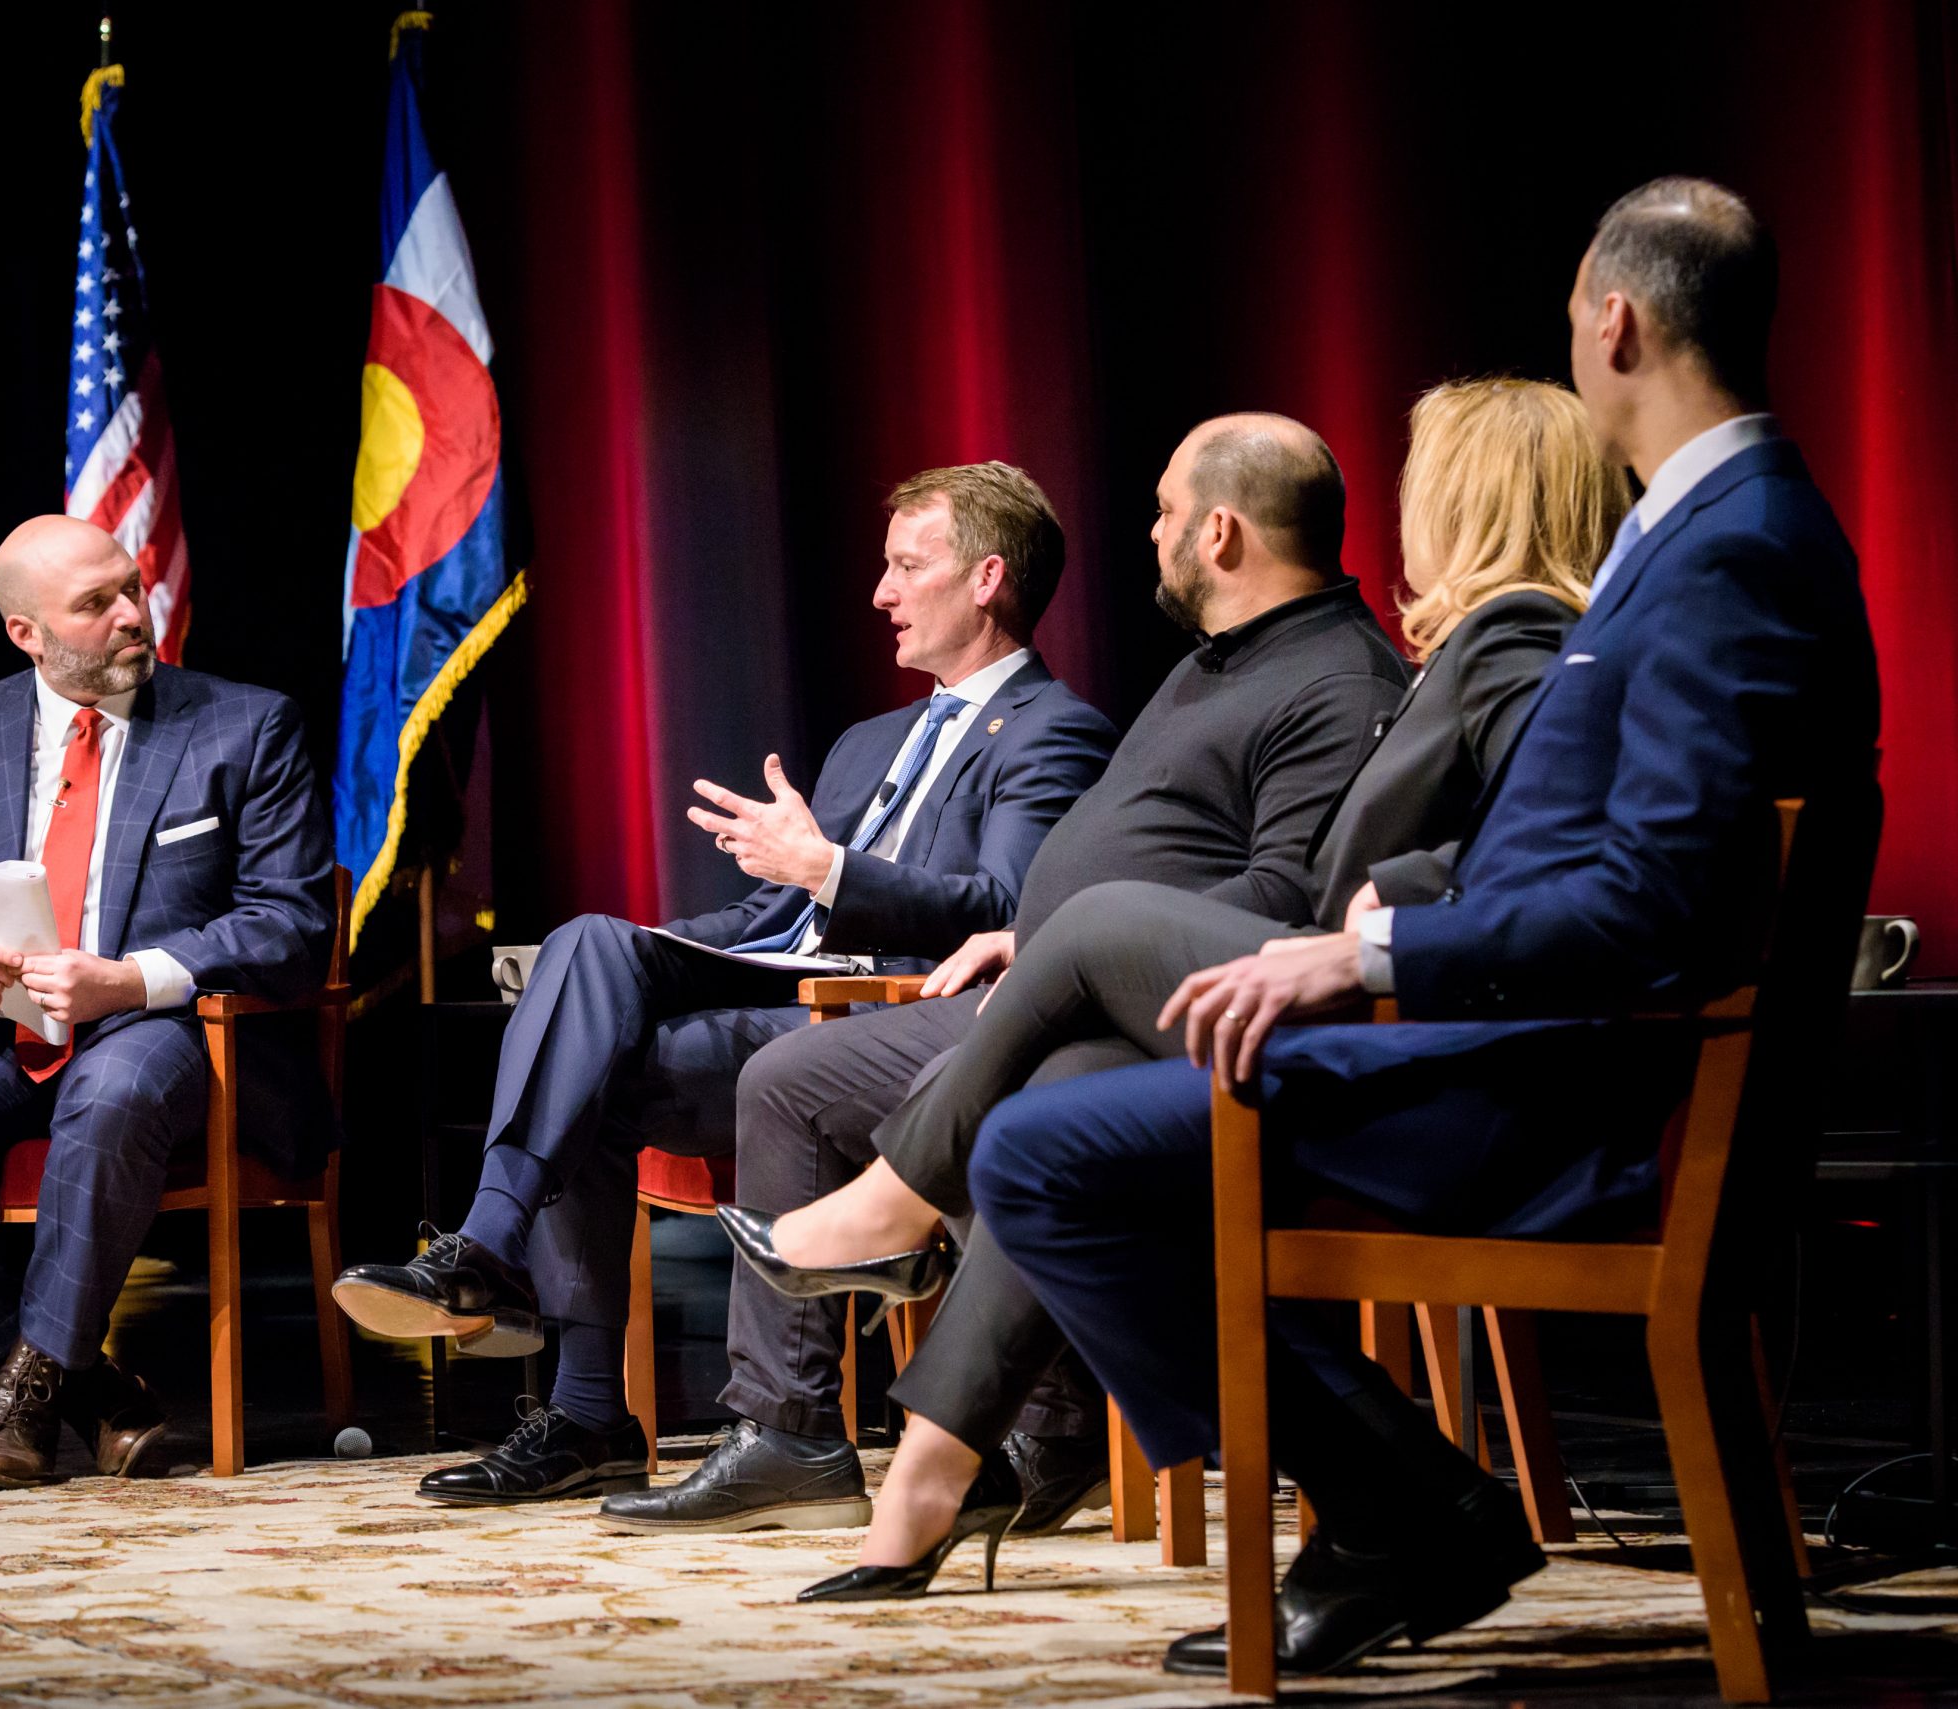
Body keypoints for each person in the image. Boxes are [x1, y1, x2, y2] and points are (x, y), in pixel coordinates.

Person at [972, 177, 1879, 1675]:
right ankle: (1401, 1503)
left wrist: (1369, 954)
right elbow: (1616, 843)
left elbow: (1662, 901)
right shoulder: (1720, 525)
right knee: (1083, 1120)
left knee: (1048, 1153)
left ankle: (1399, 1505)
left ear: (1617, 322)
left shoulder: (1727, 548)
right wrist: (1425, 903)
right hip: (1538, 1060)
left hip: (1543, 1100)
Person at [730, 376, 1620, 1589]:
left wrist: (1401, 904)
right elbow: (1504, 829)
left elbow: (1547, 847)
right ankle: (925, 1479)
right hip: (1279, 1011)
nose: (1399, 518)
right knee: (1052, 1102)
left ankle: (898, 1204)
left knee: (1090, 947)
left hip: (1366, 1037)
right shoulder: (1445, 652)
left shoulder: (1496, 650)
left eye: (1423, 487)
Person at [602, 415, 1410, 1534]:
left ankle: (1044, 1421)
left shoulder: (1333, 679)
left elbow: (1285, 904)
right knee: (787, 1074)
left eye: (1169, 510)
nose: (1152, 531)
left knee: (1015, 1104)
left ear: (1221, 532)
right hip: (1038, 983)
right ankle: (785, 1430)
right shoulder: (1209, 668)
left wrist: (1064, 938)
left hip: (1158, 1013)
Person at [331, 464, 1117, 1506]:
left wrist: (825, 868)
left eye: (904, 566)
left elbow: (1001, 902)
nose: (881, 592)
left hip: (891, 1028)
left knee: (592, 1055)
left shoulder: (1051, 730)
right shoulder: (869, 742)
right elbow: (779, 922)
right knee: (590, 953)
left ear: (985, 578)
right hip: (785, 994)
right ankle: (558, 1369)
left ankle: (531, 1330)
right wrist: (654, 946)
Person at [0, 516, 337, 1492]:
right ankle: (85, 1382)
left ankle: (28, 1399)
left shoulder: (246, 726)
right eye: (97, 603)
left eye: (132, 587)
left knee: (114, 1091)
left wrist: (130, 977)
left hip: (163, 1032)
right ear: (26, 632)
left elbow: (292, 925)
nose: (135, 614)